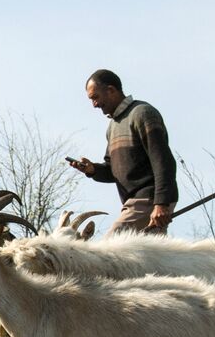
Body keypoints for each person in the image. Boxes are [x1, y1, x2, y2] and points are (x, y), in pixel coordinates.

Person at [68, 69, 178, 235]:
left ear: (111, 90)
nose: (94, 104)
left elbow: (163, 161)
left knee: (109, 251)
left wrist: (161, 204)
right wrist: (93, 170)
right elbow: (114, 171)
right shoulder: (112, 127)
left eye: (95, 97)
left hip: (148, 199)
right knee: (144, 259)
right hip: (134, 203)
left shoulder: (142, 114)